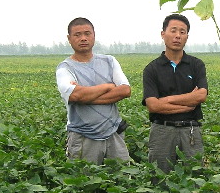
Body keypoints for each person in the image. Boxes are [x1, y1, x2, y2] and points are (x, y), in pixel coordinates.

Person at [56, 18, 132, 163]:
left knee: (122, 174)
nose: (83, 38)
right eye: (77, 35)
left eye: (87, 33)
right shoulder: (65, 68)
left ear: (94, 35)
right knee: (83, 176)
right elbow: (75, 95)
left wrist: (86, 97)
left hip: (113, 134)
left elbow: (125, 90)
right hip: (82, 137)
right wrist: (107, 86)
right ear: (69, 39)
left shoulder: (109, 61)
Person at [142, 14, 208, 172]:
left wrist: (166, 100)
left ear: (187, 37)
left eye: (182, 32)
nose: (178, 36)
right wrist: (188, 103)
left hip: (190, 130)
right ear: (163, 34)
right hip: (162, 131)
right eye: (173, 30)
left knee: (195, 177)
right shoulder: (152, 69)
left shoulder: (196, 65)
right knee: (159, 176)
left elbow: (201, 95)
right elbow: (153, 106)